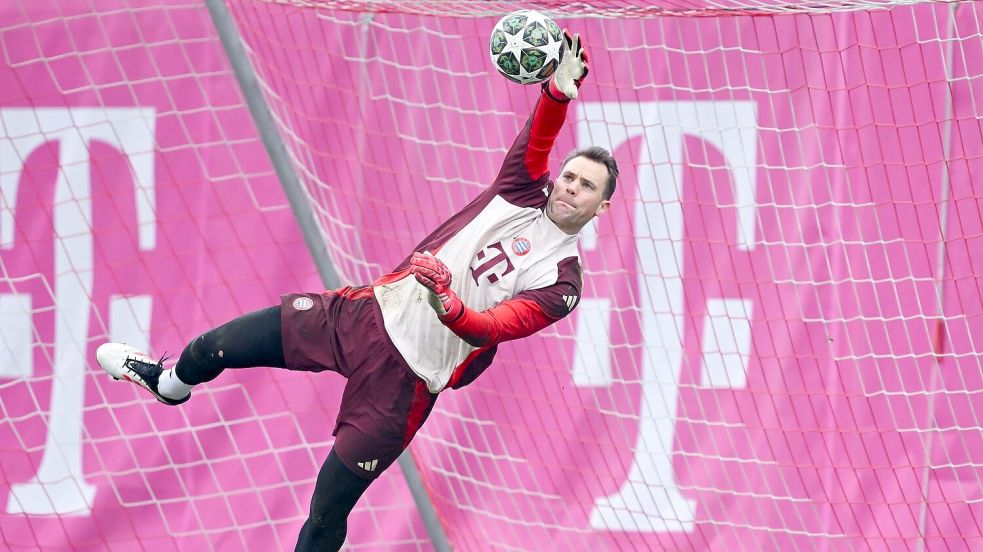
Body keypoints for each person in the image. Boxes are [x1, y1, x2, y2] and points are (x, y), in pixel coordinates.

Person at [96, 30, 617, 552]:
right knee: (215, 347)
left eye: (587, 187)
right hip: (362, 315)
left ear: (602, 208)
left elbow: (498, 326)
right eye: (571, 177)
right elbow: (538, 138)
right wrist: (557, 93)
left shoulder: (563, 280)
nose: (572, 188)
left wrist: (449, 304)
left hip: (403, 383)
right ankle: (169, 384)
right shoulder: (521, 188)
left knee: (325, 512)